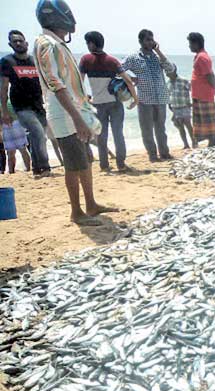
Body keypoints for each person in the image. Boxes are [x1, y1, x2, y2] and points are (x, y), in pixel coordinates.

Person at [33, 0, 117, 226]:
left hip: (75, 111)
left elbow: (68, 83)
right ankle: (77, 212)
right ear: (57, 17)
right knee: (73, 164)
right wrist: (78, 118)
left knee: (86, 159)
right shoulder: (47, 44)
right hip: (64, 115)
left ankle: (91, 204)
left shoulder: (56, 43)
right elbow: (56, 84)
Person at [79, 31, 137, 172]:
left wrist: (85, 98)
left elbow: (79, 82)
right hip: (114, 102)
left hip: (97, 103)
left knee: (101, 135)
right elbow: (128, 80)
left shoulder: (85, 60)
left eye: (88, 43)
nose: (87, 45)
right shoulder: (112, 61)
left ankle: (104, 166)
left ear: (92, 43)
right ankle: (121, 164)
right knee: (118, 133)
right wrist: (135, 98)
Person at [1, 30, 51, 177]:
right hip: (21, 107)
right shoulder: (7, 62)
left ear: (26, 43)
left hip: (38, 105)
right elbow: (3, 88)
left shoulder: (34, 60)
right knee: (38, 132)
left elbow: (46, 82)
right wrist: (4, 112)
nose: (18, 43)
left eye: (20, 40)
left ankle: (36, 168)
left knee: (38, 136)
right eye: (14, 41)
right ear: (10, 44)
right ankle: (45, 167)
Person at [122, 29, 175, 162]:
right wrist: (131, 78)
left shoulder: (157, 57)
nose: (150, 42)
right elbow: (118, 69)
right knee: (147, 130)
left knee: (161, 129)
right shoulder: (134, 58)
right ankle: (152, 155)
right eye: (147, 40)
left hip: (161, 98)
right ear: (141, 41)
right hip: (145, 99)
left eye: (152, 39)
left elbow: (170, 69)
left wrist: (158, 51)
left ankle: (164, 153)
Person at [187, 32, 215, 147]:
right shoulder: (199, 56)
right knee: (203, 122)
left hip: (204, 95)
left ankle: (213, 143)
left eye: (190, 43)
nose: (189, 46)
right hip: (200, 95)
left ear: (196, 43)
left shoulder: (202, 57)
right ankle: (211, 143)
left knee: (208, 121)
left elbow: (209, 76)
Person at [165, 67, 196, 149]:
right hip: (175, 108)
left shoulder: (183, 80)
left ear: (174, 70)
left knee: (188, 125)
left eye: (168, 71)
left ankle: (194, 142)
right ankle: (185, 144)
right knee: (180, 126)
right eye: (165, 71)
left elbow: (193, 90)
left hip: (185, 106)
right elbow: (168, 95)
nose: (166, 73)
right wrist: (169, 105)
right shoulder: (168, 83)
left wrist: (193, 102)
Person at [2, 101, 32, 173]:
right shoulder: (10, 100)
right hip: (16, 123)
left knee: (11, 151)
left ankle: (11, 171)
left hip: (7, 125)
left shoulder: (6, 100)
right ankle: (28, 169)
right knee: (22, 149)